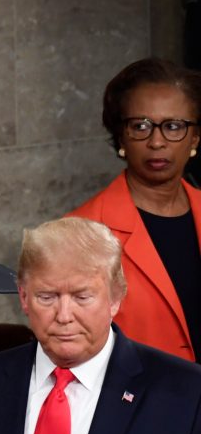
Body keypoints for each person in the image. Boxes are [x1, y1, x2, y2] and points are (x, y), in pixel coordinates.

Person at [0, 217, 201, 434]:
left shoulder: (188, 394)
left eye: (82, 297)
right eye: (46, 297)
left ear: (116, 297)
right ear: (23, 297)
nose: (64, 316)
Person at [68, 58, 201, 363]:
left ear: (194, 138)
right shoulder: (80, 233)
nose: (157, 141)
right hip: (139, 404)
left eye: (173, 126)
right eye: (140, 126)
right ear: (121, 136)